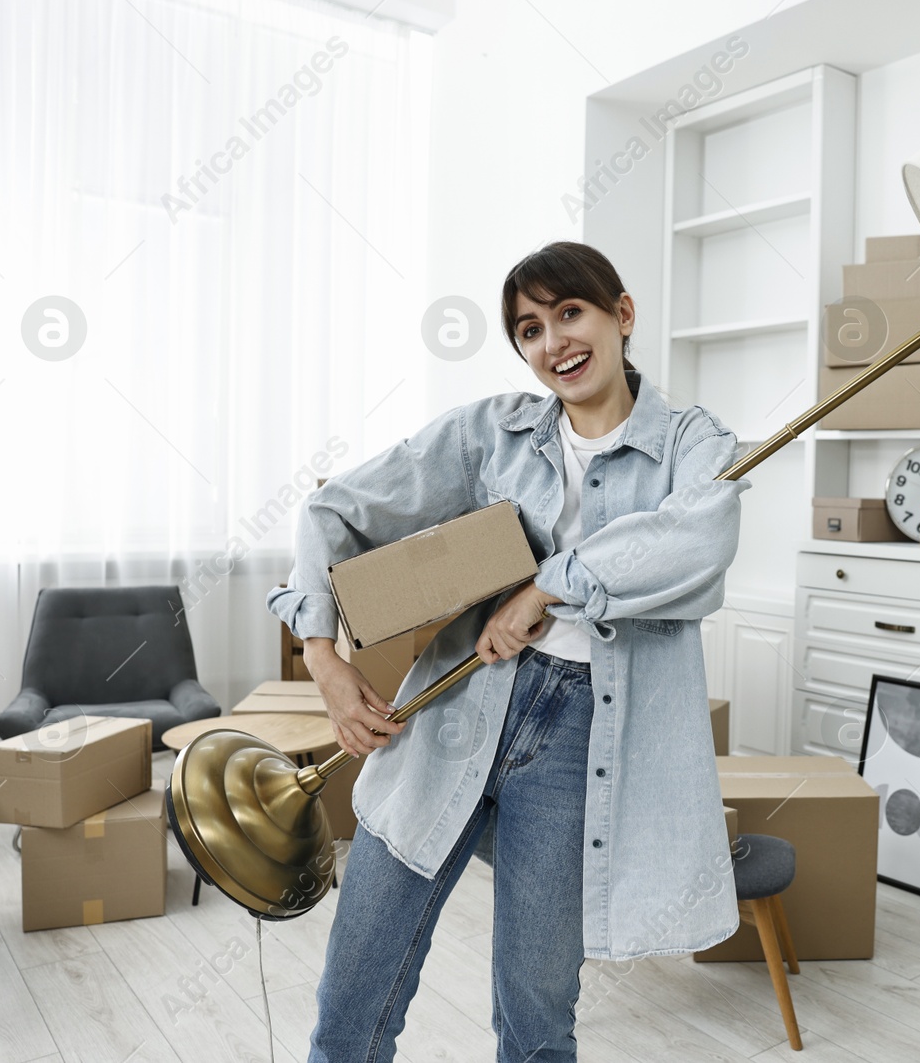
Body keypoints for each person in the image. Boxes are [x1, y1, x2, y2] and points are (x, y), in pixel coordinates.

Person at [266, 240, 752, 1062]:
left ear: (621, 315)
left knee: (535, 1020)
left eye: (570, 313)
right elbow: (331, 512)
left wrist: (546, 585)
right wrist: (322, 654)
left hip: (580, 744)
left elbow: (693, 547)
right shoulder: (491, 432)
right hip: (457, 706)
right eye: (530, 328)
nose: (553, 341)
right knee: (352, 995)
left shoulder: (694, 444)